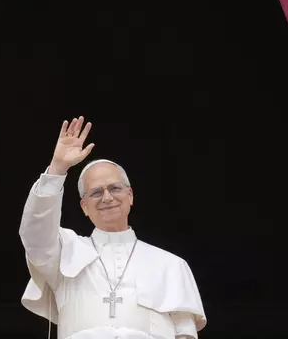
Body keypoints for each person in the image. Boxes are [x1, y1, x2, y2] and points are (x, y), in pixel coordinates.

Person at [19, 116, 207, 339]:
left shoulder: (172, 265)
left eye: (115, 188)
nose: (107, 198)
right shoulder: (64, 252)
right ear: (84, 207)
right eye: (96, 192)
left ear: (130, 196)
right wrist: (57, 169)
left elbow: (184, 335)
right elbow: (35, 233)